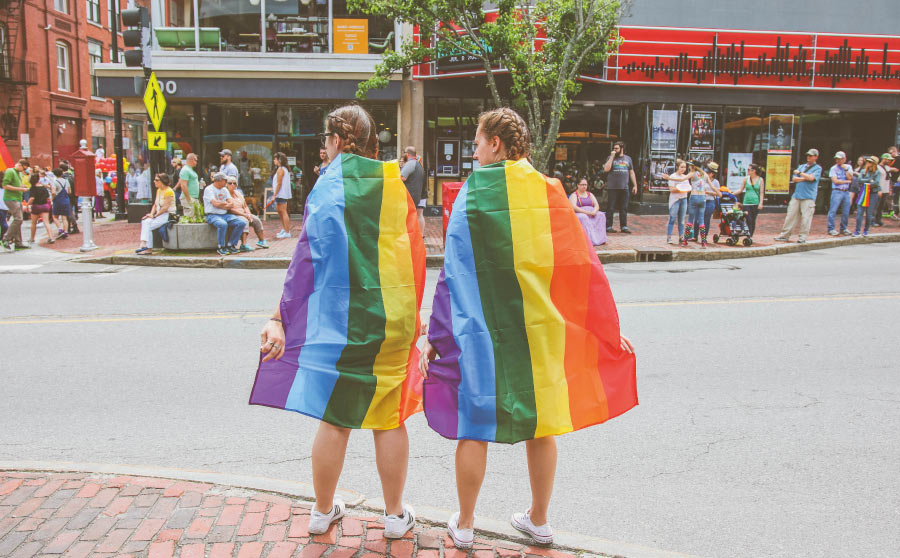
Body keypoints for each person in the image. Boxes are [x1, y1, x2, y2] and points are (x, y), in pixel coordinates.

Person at [420, 107, 636, 549]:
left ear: (495, 143)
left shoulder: (472, 195)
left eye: (478, 143)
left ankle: (463, 524)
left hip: (481, 334)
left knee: (474, 425)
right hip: (538, 330)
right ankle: (538, 519)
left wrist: (438, 337)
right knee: (541, 424)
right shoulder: (548, 191)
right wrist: (603, 329)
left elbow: (453, 275)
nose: (475, 152)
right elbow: (579, 268)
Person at [253, 104, 425, 540]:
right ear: (371, 142)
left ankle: (322, 510)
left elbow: (306, 261)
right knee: (388, 416)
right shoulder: (393, 185)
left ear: (335, 141)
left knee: (335, 417)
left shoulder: (327, 188)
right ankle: (393, 515)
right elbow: (411, 255)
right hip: (388, 317)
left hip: (336, 320)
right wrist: (414, 312)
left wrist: (280, 317)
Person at [775, 148, 821, 244]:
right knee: (790, 216)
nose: (808, 157)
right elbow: (795, 179)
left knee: (806, 218)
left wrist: (801, 174)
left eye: (811, 155)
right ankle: (784, 235)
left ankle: (802, 237)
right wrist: (805, 177)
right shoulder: (802, 166)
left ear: (816, 157)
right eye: (808, 155)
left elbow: (811, 178)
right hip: (797, 195)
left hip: (808, 197)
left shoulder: (817, 168)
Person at [204, 171, 246, 255]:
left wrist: (221, 204)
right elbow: (215, 204)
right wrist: (225, 204)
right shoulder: (209, 189)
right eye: (225, 180)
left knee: (241, 223)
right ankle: (221, 247)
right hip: (212, 215)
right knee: (222, 224)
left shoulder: (224, 190)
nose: (226, 182)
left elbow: (231, 203)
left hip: (224, 214)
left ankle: (231, 245)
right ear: (219, 180)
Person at [135, 174, 176, 255]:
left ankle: (146, 246)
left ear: (163, 181)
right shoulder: (159, 190)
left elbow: (165, 208)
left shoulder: (169, 191)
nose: (154, 182)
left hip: (168, 215)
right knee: (145, 221)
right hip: (159, 214)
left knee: (148, 226)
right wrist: (150, 214)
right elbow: (155, 204)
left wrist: (154, 216)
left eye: (157, 180)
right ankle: (144, 244)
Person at [602, 141, 637, 233]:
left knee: (624, 207)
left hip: (624, 187)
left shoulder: (628, 159)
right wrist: (612, 157)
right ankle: (608, 226)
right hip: (612, 187)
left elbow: (631, 172)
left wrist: (635, 185)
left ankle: (624, 226)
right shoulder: (610, 158)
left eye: (616, 148)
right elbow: (606, 169)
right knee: (611, 207)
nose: (614, 150)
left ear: (622, 149)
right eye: (614, 148)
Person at [225, 175, 268, 250]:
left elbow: (245, 206)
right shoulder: (226, 194)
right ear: (227, 185)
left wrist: (248, 214)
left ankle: (262, 240)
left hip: (243, 213)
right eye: (230, 183)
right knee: (244, 221)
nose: (232, 185)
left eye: (234, 183)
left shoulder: (238, 193)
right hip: (235, 214)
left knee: (256, 219)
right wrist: (244, 215)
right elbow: (231, 209)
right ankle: (244, 244)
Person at [662, 160, 693, 245]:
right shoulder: (673, 176)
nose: (683, 169)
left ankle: (681, 236)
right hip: (675, 200)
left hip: (683, 199)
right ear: (677, 167)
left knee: (682, 219)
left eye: (685, 167)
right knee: (672, 218)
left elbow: (687, 187)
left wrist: (684, 189)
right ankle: (669, 237)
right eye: (681, 167)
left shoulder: (685, 177)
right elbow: (671, 189)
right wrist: (680, 188)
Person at [1, 159, 29, 252]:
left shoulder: (17, 173)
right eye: (23, 168)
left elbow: (14, 184)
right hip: (11, 198)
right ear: (20, 165)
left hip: (17, 198)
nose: (23, 171)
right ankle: (6, 238)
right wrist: (20, 189)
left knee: (19, 220)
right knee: (18, 219)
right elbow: (5, 185)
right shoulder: (10, 171)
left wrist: (22, 186)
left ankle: (18, 242)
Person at [684, 161, 714, 248]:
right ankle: (703, 242)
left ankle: (685, 240)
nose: (689, 167)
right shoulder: (705, 174)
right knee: (701, 221)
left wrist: (669, 178)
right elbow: (712, 186)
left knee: (690, 220)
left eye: (690, 165)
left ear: (693, 166)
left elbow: (682, 179)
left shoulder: (692, 173)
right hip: (702, 198)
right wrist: (718, 193)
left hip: (694, 196)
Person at [569, 177, 606, 245]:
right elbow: (574, 207)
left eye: (585, 185)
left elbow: (596, 205)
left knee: (601, 215)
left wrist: (594, 211)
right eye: (582, 184)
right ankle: (587, 240)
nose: (584, 186)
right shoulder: (574, 195)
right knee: (583, 217)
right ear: (578, 185)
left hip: (591, 213)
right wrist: (587, 213)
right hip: (580, 213)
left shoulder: (590, 194)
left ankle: (600, 239)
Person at [733, 163, 765, 237]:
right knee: (748, 219)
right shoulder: (746, 179)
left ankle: (750, 235)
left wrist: (761, 203)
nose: (748, 171)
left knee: (753, 220)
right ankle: (748, 235)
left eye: (749, 169)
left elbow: (761, 192)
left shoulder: (761, 180)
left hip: (755, 202)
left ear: (754, 171)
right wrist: (732, 193)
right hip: (746, 202)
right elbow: (741, 189)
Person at [854, 156, 883, 237]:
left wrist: (866, 182)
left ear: (874, 164)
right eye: (867, 161)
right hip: (863, 192)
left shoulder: (877, 172)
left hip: (872, 194)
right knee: (859, 212)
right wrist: (870, 180)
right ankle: (857, 230)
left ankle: (866, 230)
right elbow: (859, 180)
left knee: (869, 213)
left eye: (870, 162)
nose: (867, 163)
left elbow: (876, 183)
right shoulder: (863, 171)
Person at [400, 146, 426, 236]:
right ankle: (420, 235)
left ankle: (409, 235)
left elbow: (402, 178)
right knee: (419, 216)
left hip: (411, 195)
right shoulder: (419, 165)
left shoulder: (410, 163)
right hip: (420, 194)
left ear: (407, 154)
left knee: (408, 216)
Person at [825, 151, 853, 236]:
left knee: (846, 211)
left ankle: (843, 228)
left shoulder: (848, 167)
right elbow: (835, 181)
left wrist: (846, 170)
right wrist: (846, 181)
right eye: (837, 159)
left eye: (840, 159)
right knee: (833, 210)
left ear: (844, 159)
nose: (838, 161)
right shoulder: (833, 168)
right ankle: (831, 228)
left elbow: (850, 178)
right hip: (837, 191)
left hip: (846, 192)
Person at [27, 173, 58, 244]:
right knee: (46, 222)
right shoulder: (44, 188)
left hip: (36, 206)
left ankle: (32, 238)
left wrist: (28, 204)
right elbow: (48, 198)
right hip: (44, 206)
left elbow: (32, 198)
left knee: (33, 223)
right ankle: (50, 237)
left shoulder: (32, 188)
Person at [272, 152, 292, 238]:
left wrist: (274, 195)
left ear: (279, 160)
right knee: (279, 210)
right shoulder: (283, 168)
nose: (274, 161)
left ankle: (287, 232)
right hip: (281, 193)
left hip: (281, 193)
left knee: (283, 211)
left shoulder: (281, 169)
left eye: (275, 159)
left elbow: (279, 183)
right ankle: (284, 229)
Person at [873, 152, 895, 227]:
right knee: (876, 205)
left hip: (886, 189)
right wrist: (878, 189)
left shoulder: (887, 167)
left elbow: (889, 179)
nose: (889, 161)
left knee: (881, 206)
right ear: (884, 159)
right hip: (879, 189)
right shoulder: (877, 167)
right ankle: (873, 220)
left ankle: (879, 220)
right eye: (888, 159)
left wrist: (890, 189)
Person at [176, 153, 201, 218]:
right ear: (191, 160)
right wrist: (189, 199)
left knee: (196, 217)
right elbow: (183, 185)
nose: (196, 162)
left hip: (194, 198)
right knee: (190, 218)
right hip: (189, 197)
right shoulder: (185, 170)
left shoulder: (190, 170)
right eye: (196, 160)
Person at [50, 168, 70, 239]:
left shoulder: (54, 182)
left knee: (55, 216)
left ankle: (60, 229)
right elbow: (69, 191)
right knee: (64, 218)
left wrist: (51, 199)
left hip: (58, 200)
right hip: (66, 199)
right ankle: (66, 231)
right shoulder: (66, 181)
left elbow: (53, 192)